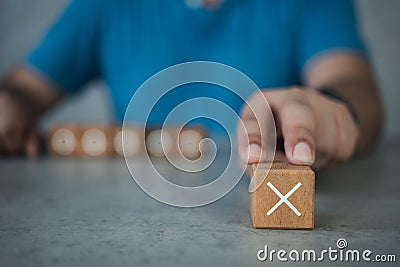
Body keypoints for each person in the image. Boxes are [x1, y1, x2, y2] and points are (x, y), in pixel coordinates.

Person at [0, 0, 383, 169]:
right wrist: (10, 104)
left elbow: (352, 84)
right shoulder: (103, 4)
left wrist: (332, 108)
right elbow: (22, 90)